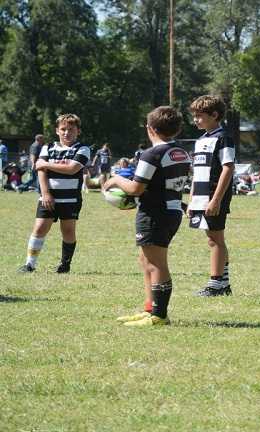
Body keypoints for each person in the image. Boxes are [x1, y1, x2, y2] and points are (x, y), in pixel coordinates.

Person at [108, 106, 191, 326]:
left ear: (150, 128)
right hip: (172, 210)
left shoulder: (152, 154)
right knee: (145, 260)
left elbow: (136, 188)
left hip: (155, 214)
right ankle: (150, 308)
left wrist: (115, 180)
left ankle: (159, 315)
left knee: (156, 264)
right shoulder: (181, 152)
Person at [18, 114, 91, 273]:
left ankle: (65, 265)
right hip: (47, 197)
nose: (67, 132)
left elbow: (72, 168)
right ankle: (30, 264)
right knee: (39, 229)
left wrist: (46, 164)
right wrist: (45, 193)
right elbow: (41, 170)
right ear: (57, 130)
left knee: (68, 231)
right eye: (63, 129)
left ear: (78, 131)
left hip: (70, 199)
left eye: (71, 129)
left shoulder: (83, 149)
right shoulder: (48, 147)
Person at [188, 94, 236, 297]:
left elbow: (228, 167)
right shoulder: (201, 140)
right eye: (194, 116)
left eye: (200, 116)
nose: (195, 120)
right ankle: (223, 283)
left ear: (214, 115)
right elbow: (197, 172)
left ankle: (216, 283)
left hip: (214, 196)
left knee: (216, 238)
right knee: (212, 238)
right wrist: (192, 199)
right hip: (200, 197)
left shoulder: (223, 137)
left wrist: (216, 199)